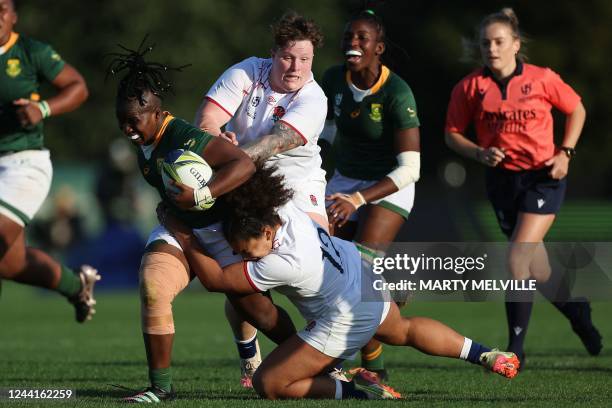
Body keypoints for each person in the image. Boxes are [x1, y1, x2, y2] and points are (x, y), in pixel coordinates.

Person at [158, 165, 520, 400]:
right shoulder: (281, 209)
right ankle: (486, 354)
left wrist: (180, 229)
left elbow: (216, 280)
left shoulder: (284, 263)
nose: (247, 256)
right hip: (361, 277)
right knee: (404, 331)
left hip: (345, 316)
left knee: (269, 384)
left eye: (248, 250)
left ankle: (357, 392)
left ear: (267, 232)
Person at [107, 39, 297, 403]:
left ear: (157, 113)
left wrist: (201, 194)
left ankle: (317, 362)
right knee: (153, 287)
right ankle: (160, 388)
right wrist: (174, 210)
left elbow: (241, 163)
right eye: (122, 121)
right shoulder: (143, 142)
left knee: (257, 311)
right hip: (180, 228)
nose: (127, 129)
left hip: (219, 230)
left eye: (133, 121)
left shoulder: (183, 136)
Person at [444, 8, 602, 364]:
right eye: (486, 43)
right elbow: (452, 134)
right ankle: (578, 314)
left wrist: (566, 153)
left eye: (499, 41)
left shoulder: (542, 79)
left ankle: (515, 350)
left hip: (543, 177)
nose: (492, 48)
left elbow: (576, 109)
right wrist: (479, 152)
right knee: (538, 270)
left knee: (517, 259)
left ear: (516, 44)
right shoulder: (470, 87)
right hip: (502, 183)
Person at [193, 11, 328, 386]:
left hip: (298, 187)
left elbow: (273, 143)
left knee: (320, 274)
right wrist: (216, 138)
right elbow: (205, 120)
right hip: (246, 183)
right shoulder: (246, 72)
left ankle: (339, 358)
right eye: (288, 57)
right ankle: (249, 355)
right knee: (242, 279)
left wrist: (229, 157)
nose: (295, 67)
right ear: (273, 54)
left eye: (305, 59)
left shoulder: (314, 97)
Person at [318, 9, 420, 379]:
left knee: (359, 268)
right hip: (346, 180)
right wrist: (314, 169)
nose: (353, 43)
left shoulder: (397, 91)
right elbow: (326, 131)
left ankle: (371, 367)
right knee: (324, 262)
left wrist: (359, 200)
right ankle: (373, 362)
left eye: (362, 38)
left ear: (378, 47)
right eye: (348, 37)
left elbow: (411, 169)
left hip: (389, 184)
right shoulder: (332, 79)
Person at [0, 0, 99, 322]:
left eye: (1, 8)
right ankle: (75, 284)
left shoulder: (31, 51)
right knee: (10, 264)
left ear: (13, 15)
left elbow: (78, 87)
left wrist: (41, 108)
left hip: (22, 164)